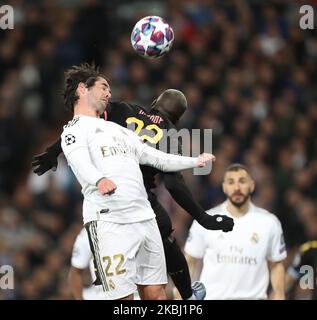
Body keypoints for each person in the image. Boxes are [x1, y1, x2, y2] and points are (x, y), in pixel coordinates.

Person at [32, 63, 234, 300]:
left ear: (154, 102)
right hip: (113, 213)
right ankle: (188, 295)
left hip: (140, 211)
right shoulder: (166, 132)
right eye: (104, 87)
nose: (109, 93)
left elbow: (152, 156)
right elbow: (79, 150)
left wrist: (194, 161)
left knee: (154, 293)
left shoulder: (121, 118)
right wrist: (99, 180)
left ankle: (186, 297)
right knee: (154, 257)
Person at [184, 163, 287, 300]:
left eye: (242, 181)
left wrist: (280, 295)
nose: (237, 188)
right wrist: (181, 295)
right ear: (224, 187)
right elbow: (190, 260)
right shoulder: (206, 220)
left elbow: (276, 264)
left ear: (252, 185)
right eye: (231, 182)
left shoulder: (269, 223)